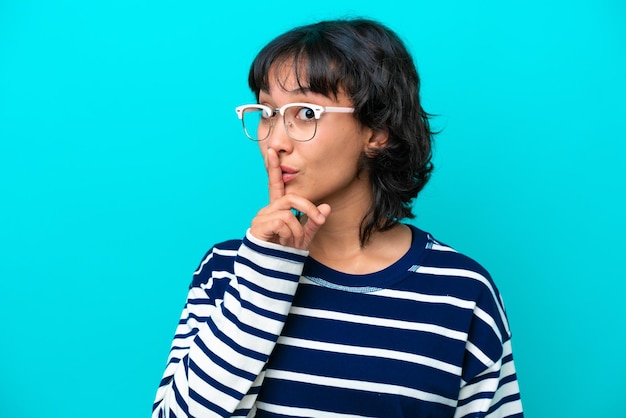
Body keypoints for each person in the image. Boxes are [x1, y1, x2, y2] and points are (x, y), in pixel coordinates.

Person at [152, 17, 523, 418]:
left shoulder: (463, 292)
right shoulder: (227, 272)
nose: (275, 141)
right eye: (267, 112)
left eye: (306, 113)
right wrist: (266, 274)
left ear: (377, 131)